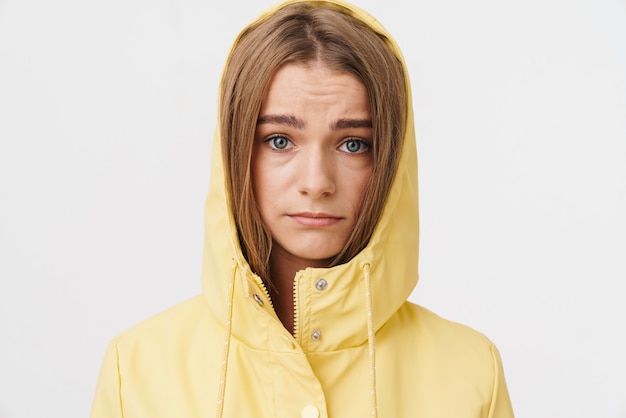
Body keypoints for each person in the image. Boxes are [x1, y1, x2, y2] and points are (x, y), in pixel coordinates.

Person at [90, 0, 515, 417]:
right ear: (236, 153)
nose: (316, 183)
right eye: (279, 140)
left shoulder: (472, 374)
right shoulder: (138, 371)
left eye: (353, 144)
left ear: (389, 159)